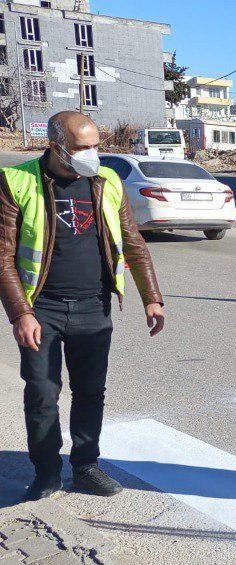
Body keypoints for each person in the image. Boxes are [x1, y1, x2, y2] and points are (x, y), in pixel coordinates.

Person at [1, 111, 165, 501]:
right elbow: (3, 256)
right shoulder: (15, 181)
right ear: (56, 146)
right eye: (82, 148)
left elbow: (133, 242)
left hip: (94, 305)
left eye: (95, 146)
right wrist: (21, 313)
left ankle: (86, 466)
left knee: (91, 391)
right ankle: (46, 473)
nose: (92, 154)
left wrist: (152, 298)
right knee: (42, 393)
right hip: (42, 308)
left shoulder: (107, 180)